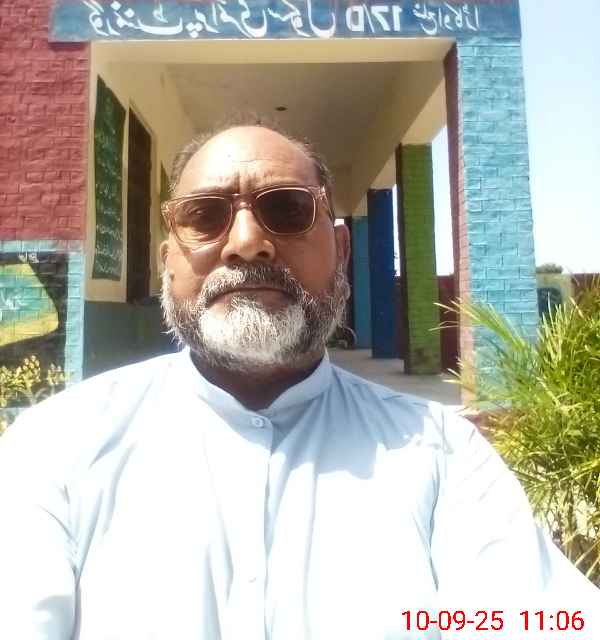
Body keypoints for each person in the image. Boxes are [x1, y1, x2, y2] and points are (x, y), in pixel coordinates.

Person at [0, 122, 597, 640]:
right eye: (205, 216)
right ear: (167, 263)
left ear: (340, 249)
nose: (246, 243)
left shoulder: (441, 455)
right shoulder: (59, 446)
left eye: (286, 210)